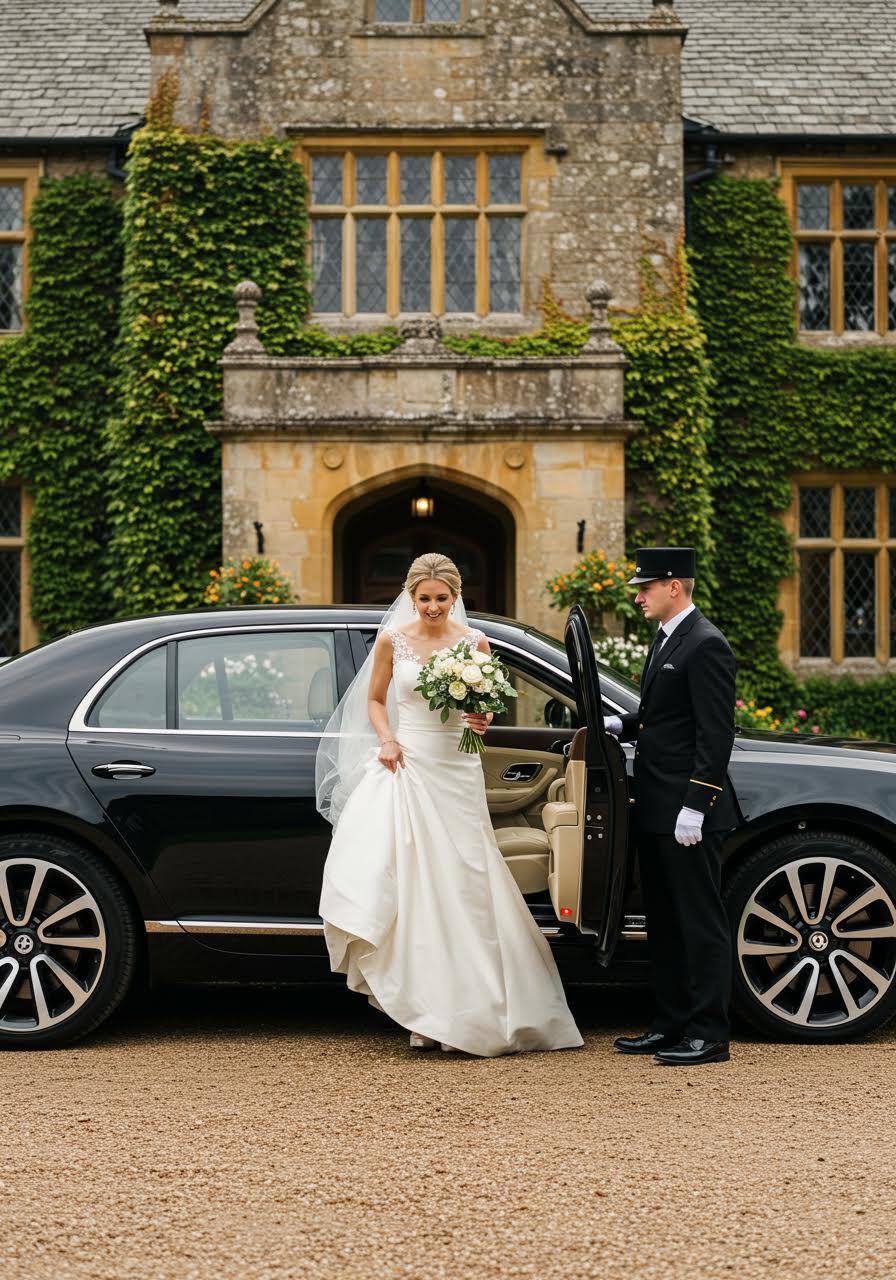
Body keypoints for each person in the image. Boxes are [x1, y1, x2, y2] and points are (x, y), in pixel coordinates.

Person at [315, 552, 583, 1058]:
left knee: (465, 883)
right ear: (411, 597)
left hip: (459, 768)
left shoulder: (474, 643)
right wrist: (388, 739)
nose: (433, 607)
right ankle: (421, 1010)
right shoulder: (393, 641)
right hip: (409, 764)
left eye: (441, 598)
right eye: (424, 599)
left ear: (456, 598)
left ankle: (474, 1005)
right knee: (416, 887)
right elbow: (375, 701)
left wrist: (481, 719)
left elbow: (481, 711)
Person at [605, 547, 737, 1067]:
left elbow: (714, 734)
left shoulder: (706, 644)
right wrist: (625, 725)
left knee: (700, 922)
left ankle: (709, 1033)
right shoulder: (668, 639)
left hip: (686, 812)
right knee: (664, 921)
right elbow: (667, 717)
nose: (638, 596)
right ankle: (671, 1024)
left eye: (646, 588)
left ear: (674, 587)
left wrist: (697, 806)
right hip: (657, 807)